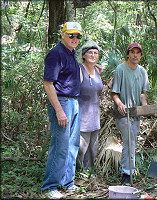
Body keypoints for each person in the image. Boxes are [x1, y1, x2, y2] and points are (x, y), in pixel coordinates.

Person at [42, 22, 83, 199]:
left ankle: (67, 183)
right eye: (71, 35)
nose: (75, 39)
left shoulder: (72, 54)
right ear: (63, 35)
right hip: (62, 102)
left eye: (78, 36)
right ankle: (50, 187)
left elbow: (75, 79)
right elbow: (48, 84)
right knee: (60, 145)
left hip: (74, 102)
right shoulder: (56, 53)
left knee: (72, 145)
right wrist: (59, 111)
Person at [110, 42, 150, 185]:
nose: (135, 55)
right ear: (128, 54)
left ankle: (129, 172)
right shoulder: (120, 69)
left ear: (140, 55)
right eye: (132, 52)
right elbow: (114, 93)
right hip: (122, 114)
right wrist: (120, 104)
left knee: (132, 142)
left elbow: (142, 93)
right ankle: (127, 174)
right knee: (129, 140)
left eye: (138, 53)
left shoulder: (142, 71)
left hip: (136, 114)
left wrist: (145, 106)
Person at [76, 41, 107, 172]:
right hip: (82, 117)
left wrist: (109, 85)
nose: (93, 55)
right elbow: (73, 92)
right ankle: (77, 175)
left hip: (94, 117)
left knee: (92, 150)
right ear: (83, 55)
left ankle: (88, 176)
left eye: (96, 53)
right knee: (81, 149)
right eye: (90, 52)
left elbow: (97, 91)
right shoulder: (79, 69)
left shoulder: (96, 71)